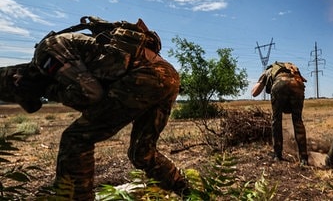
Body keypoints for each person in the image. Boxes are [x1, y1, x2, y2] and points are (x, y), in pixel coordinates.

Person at [1, 17, 191, 199]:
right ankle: (190, 193)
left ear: (19, 79)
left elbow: (91, 94)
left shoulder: (46, 52)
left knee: (76, 139)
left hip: (145, 76)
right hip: (166, 74)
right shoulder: (62, 60)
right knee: (142, 153)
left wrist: (51, 90)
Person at [251, 61, 308, 166]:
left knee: (276, 120)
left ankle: (277, 155)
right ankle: (304, 158)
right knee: (298, 121)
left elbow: (255, 93)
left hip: (280, 85)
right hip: (298, 85)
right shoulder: (292, 68)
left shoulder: (269, 70)